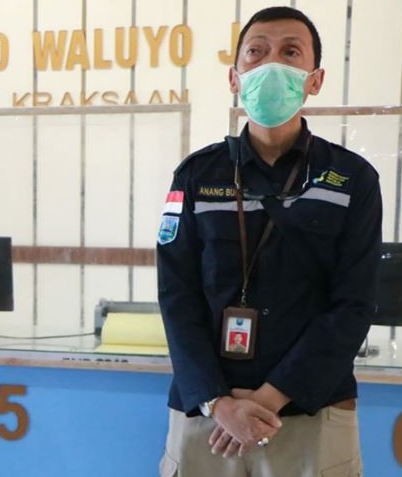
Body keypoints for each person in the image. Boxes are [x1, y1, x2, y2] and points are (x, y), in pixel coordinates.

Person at [156, 6, 381, 477]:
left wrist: (269, 397)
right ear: (235, 77)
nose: (270, 64)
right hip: (207, 418)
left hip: (309, 414)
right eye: (256, 53)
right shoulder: (197, 175)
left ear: (314, 80)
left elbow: (354, 303)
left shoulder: (352, 179)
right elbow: (176, 295)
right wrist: (219, 403)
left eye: (290, 53)